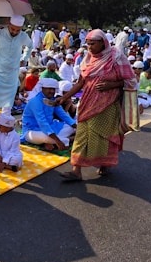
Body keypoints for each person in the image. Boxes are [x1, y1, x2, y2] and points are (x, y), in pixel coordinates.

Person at [56, 29, 137, 180]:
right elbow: (81, 82)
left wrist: (112, 84)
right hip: (87, 103)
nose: (90, 47)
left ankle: (104, 164)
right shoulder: (88, 59)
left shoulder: (116, 57)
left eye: (93, 44)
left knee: (104, 135)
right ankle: (76, 170)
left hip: (108, 105)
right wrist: (64, 97)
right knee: (82, 134)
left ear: (103, 43)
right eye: (88, 44)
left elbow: (131, 80)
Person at [0, 15, 33, 142]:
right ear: (8, 25)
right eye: (13, 29)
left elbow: (30, 46)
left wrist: (24, 59)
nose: (15, 32)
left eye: (18, 30)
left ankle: (5, 132)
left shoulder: (23, 36)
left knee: (7, 106)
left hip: (12, 74)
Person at [21, 78, 76, 150]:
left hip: (51, 127)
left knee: (72, 126)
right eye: (49, 89)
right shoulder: (35, 101)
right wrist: (57, 141)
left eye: (53, 89)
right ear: (42, 88)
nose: (52, 91)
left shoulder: (53, 100)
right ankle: (69, 139)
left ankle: (54, 141)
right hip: (32, 130)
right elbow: (42, 122)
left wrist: (76, 127)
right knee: (45, 137)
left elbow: (63, 115)